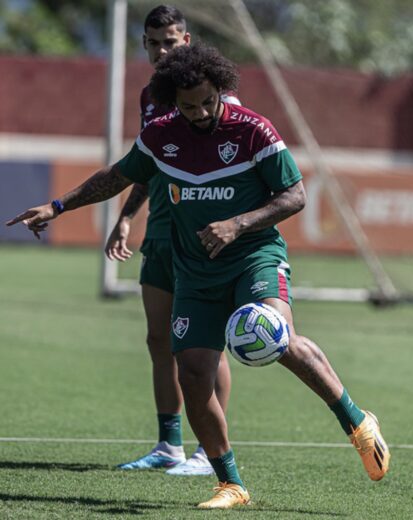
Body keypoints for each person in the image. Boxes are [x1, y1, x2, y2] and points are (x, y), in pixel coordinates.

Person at [7, 42, 390, 510]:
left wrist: (237, 224)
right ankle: (231, 484)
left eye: (208, 101)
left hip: (254, 256)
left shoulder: (252, 131)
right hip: (194, 270)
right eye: (189, 106)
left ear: (220, 89)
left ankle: (355, 420)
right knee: (192, 371)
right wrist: (57, 206)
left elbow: (294, 196)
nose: (201, 112)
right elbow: (118, 175)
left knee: (275, 335)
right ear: (173, 102)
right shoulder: (162, 135)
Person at [105, 5, 239, 476]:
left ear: (187, 42)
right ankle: (169, 445)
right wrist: (126, 217)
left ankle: (210, 452)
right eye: (153, 42)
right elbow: (148, 164)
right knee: (158, 338)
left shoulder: (212, 94)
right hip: (160, 228)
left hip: (197, 232)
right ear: (144, 44)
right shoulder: (150, 96)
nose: (162, 50)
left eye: (171, 41)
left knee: (202, 344)